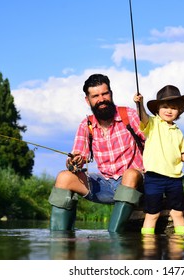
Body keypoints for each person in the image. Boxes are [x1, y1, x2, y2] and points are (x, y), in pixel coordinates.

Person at [48, 73, 145, 233]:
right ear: (88, 100)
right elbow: (78, 153)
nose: (101, 99)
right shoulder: (86, 125)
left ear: (111, 94)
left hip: (137, 182)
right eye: (95, 96)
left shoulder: (129, 115)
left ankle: (114, 237)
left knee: (130, 174)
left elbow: (153, 141)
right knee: (64, 177)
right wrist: (75, 162)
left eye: (104, 93)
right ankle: (61, 239)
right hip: (106, 184)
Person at [134, 85, 184, 235]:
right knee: (152, 214)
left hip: (175, 179)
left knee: (177, 213)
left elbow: (182, 155)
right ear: (157, 109)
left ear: (179, 111)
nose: (169, 110)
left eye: (174, 108)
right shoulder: (153, 123)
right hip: (154, 178)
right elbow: (142, 117)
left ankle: (180, 245)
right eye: (165, 107)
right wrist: (139, 104)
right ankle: (148, 246)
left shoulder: (178, 132)